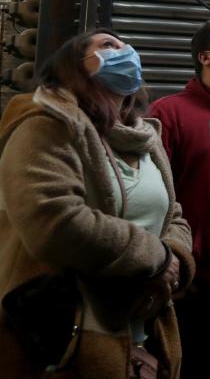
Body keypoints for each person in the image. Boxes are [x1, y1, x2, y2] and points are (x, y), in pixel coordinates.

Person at [0, 30, 194, 379]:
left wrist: (177, 256)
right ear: (73, 66)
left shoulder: (145, 137)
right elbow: (55, 221)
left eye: (127, 46)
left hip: (144, 333)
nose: (126, 51)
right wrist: (157, 257)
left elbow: (173, 214)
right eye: (108, 45)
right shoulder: (46, 126)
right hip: (66, 333)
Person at [149, 16, 210, 377]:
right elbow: (152, 200)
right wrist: (165, 265)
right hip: (191, 297)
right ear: (206, 56)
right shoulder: (169, 112)